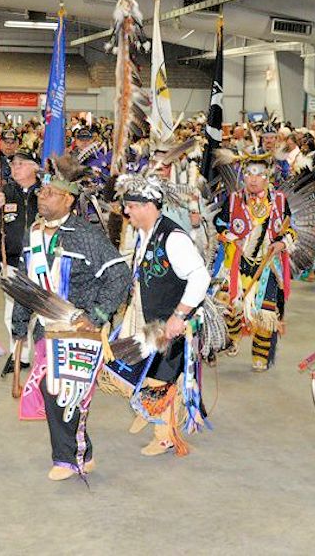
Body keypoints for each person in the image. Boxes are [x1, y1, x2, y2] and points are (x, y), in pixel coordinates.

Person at [10, 156, 130, 480]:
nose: (41, 195)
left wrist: (99, 315)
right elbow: (28, 283)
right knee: (55, 393)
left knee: (66, 394)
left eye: (50, 192)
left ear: (69, 199)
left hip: (78, 332)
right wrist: (19, 324)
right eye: (41, 191)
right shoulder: (33, 234)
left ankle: (70, 458)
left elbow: (120, 274)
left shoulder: (85, 235)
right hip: (46, 331)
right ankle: (79, 454)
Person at [115, 172, 211, 457]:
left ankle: (166, 435)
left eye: (131, 205)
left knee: (161, 378)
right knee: (138, 368)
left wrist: (179, 316)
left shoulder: (173, 237)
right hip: (149, 317)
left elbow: (200, 278)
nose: (126, 211)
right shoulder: (145, 233)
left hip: (171, 321)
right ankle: (148, 409)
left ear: (147, 205)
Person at [215, 148, 296, 371]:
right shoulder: (234, 200)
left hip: (267, 265)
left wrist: (281, 243)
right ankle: (231, 338)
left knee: (265, 314)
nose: (253, 179)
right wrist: (233, 238)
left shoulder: (279, 201)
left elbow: (291, 231)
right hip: (237, 263)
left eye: (258, 174)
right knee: (226, 303)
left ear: (267, 177)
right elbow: (219, 225)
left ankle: (260, 356)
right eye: (249, 174)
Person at [0, 151, 41, 372]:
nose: (15, 167)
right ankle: (18, 354)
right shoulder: (4, 192)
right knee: (12, 311)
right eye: (13, 163)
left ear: (35, 168)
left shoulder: (46, 192)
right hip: (11, 262)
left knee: (40, 313)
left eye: (21, 164)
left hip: (42, 262)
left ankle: (40, 355)